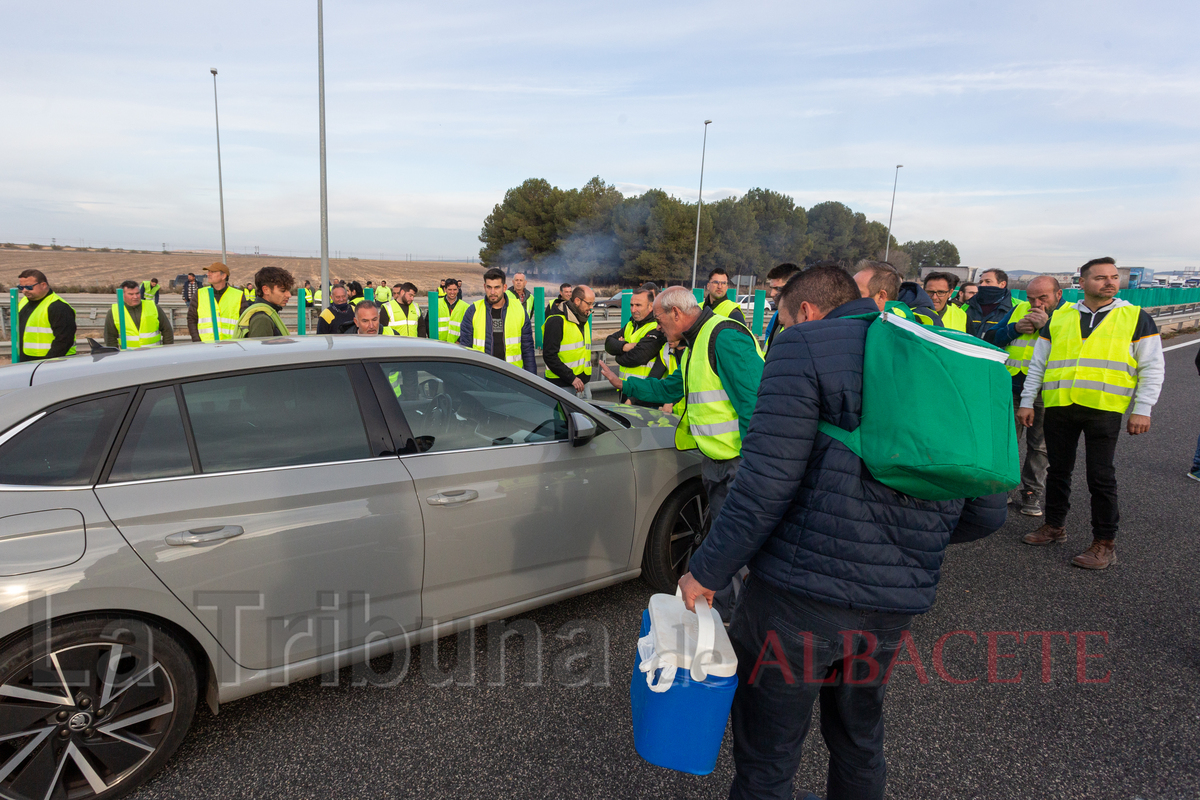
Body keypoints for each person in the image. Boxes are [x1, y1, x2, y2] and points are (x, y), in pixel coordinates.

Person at [676, 265, 1007, 800]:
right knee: (858, 737)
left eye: (782, 320)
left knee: (769, 753)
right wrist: (905, 544)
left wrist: (706, 571)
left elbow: (765, 485)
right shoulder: (951, 352)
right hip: (893, 602)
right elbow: (989, 510)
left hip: (798, 597)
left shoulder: (804, 346)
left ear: (803, 312)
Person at [598, 286, 764, 617]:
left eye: (659, 319)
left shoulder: (723, 337)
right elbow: (672, 387)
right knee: (723, 542)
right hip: (716, 463)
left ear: (676, 313)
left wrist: (755, 469)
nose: (658, 327)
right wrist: (625, 385)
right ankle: (723, 616)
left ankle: (734, 622)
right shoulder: (694, 346)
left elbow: (756, 405)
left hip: (738, 465)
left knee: (735, 547)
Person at [1017, 257, 1163, 568]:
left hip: (1103, 409)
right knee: (1058, 470)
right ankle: (1054, 526)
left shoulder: (1135, 317)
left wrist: (1143, 408)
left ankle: (1104, 543)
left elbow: (1152, 367)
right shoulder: (1060, 318)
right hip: (1060, 406)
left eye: (1113, 277)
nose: (1109, 282)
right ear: (1081, 283)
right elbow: (1038, 365)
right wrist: (1028, 401)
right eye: (1100, 278)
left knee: (1100, 477)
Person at [990, 275, 1067, 516]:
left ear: (1058, 294)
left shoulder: (1070, 315)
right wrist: (1013, 329)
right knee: (1006, 441)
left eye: (1043, 298)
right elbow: (991, 338)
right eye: (1032, 298)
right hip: (1013, 387)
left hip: (1047, 391)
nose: (1036, 304)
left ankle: (1032, 493)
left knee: (1040, 446)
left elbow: (1074, 348)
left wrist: (1047, 326)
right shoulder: (1019, 309)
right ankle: (1001, 489)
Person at [458, 268, 536, 373]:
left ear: (504, 287)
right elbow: (466, 349)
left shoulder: (519, 309)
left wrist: (531, 378)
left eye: (497, 287)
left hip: (513, 376)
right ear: (484, 287)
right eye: (489, 287)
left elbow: (528, 349)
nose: (492, 292)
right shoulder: (473, 311)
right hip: (481, 377)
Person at [603, 286, 665, 405]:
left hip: (645, 393)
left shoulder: (656, 328)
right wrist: (625, 347)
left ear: (651, 306)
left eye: (638, 305)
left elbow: (637, 357)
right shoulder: (631, 324)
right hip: (625, 388)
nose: (633, 309)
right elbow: (608, 343)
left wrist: (618, 356)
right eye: (631, 305)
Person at [543, 285, 596, 394]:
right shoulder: (556, 320)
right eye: (589, 303)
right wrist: (571, 378)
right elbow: (549, 355)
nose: (591, 308)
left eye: (592, 304)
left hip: (582, 382)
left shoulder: (583, 318)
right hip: (562, 384)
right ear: (577, 301)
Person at [14, 269, 76, 360]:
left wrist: (48, 363)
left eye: (29, 287)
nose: (24, 291)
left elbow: (64, 340)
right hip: (27, 359)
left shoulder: (58, 307)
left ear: (43, 285)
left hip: (51, 362)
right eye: (21, 287)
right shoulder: (24, 302)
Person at [105, 280, 173, 348]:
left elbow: (167, 330)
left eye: (137, 293)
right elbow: (110, 338)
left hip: (153, 354)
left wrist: (166, 350)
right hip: (129, 355)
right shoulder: (114, 311)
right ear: (123, 295)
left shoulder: (153, 307)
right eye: (131, 294)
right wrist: (116, 356)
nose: (135, 297)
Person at [189, 262, 244, 342]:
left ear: (223, 276)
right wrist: (197, 341)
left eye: (213, 272)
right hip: (206, 347)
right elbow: (191, 319)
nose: (208, 274)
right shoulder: (199, 294)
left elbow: (244, 324)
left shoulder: (238, 295)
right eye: (208, 272)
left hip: (231, 348)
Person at [966, 269, 1026, 341]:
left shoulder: (1018, 306)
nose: (982, 285)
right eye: (981, 282)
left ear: (1002, 284)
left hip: (998, 351)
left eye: (987, 281)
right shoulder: (968, 304)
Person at [236, 266, 294, 338]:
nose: (289, 295)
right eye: (282, 290)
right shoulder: (261, 320)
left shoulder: (267, 313)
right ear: (266, 290)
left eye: (288, 290)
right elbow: (260, 349)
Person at [762, 263, 801, 351]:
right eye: (771, 288)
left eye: (778, 289)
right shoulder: (777, 315)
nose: (772, 294)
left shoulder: (809, 319)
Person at [437, 278, 468, 342]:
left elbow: (468, 327)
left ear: (458, 290)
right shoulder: (436, 304)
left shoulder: (465, 306)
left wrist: (459, 341)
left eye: (455, 289)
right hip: (439, 344)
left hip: (457, 345)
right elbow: (428, 324)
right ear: (445, 289)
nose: (452, 292)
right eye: (449, 289)